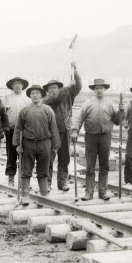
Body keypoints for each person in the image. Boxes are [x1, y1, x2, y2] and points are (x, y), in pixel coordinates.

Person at [70, 79, 122, 201]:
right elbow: (79, 118)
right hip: (91, 137)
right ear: (94, 90)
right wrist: (75, 131)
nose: (99, 90)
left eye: (101, 88)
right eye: (97, 88)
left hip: (105, 136)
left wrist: (121, 112)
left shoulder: (111, 103)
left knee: (104, 165)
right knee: (90, 165)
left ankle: (102, 192)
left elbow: (117, 121)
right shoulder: (88, 103)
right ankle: (89, 192)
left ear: (105, 90)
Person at [12, 85, 60, 205]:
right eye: (32, 93)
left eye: (37, 93)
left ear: (41, 95)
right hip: (28, 144)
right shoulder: (24, 111)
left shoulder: (48, 110)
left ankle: (44, 194)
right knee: (26, 169)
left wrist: (55, 145)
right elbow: (18, 129)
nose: (35, 95)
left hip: (45, 143)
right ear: (30, 96)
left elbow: (54, 128)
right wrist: (17, 144)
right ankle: (25, 195)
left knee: (43, 169)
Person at [43, 63, 83, 192]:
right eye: (51, 88)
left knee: (64, 158)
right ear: (47, 91)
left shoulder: (67, 96)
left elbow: (78, 87)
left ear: (59, 88)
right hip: (50, 133)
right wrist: (68, 86)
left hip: (65, 130)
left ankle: (62, 182)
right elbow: (58, 98)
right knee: (49, 158)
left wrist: (75, 72)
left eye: (55, 87)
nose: (53, 90)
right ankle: (47, 183)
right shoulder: (46, 100)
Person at [2, 77, 31, 187]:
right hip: (11, 130)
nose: (18, 86)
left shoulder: (27, 99)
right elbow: (1, 114)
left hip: (24, 131)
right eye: (15, 84)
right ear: (12, 86)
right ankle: (11, 178)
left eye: (19, 84)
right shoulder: (6, 98)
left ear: (23, 86)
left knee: (24, 154)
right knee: (11, 153)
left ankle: (24, 179)